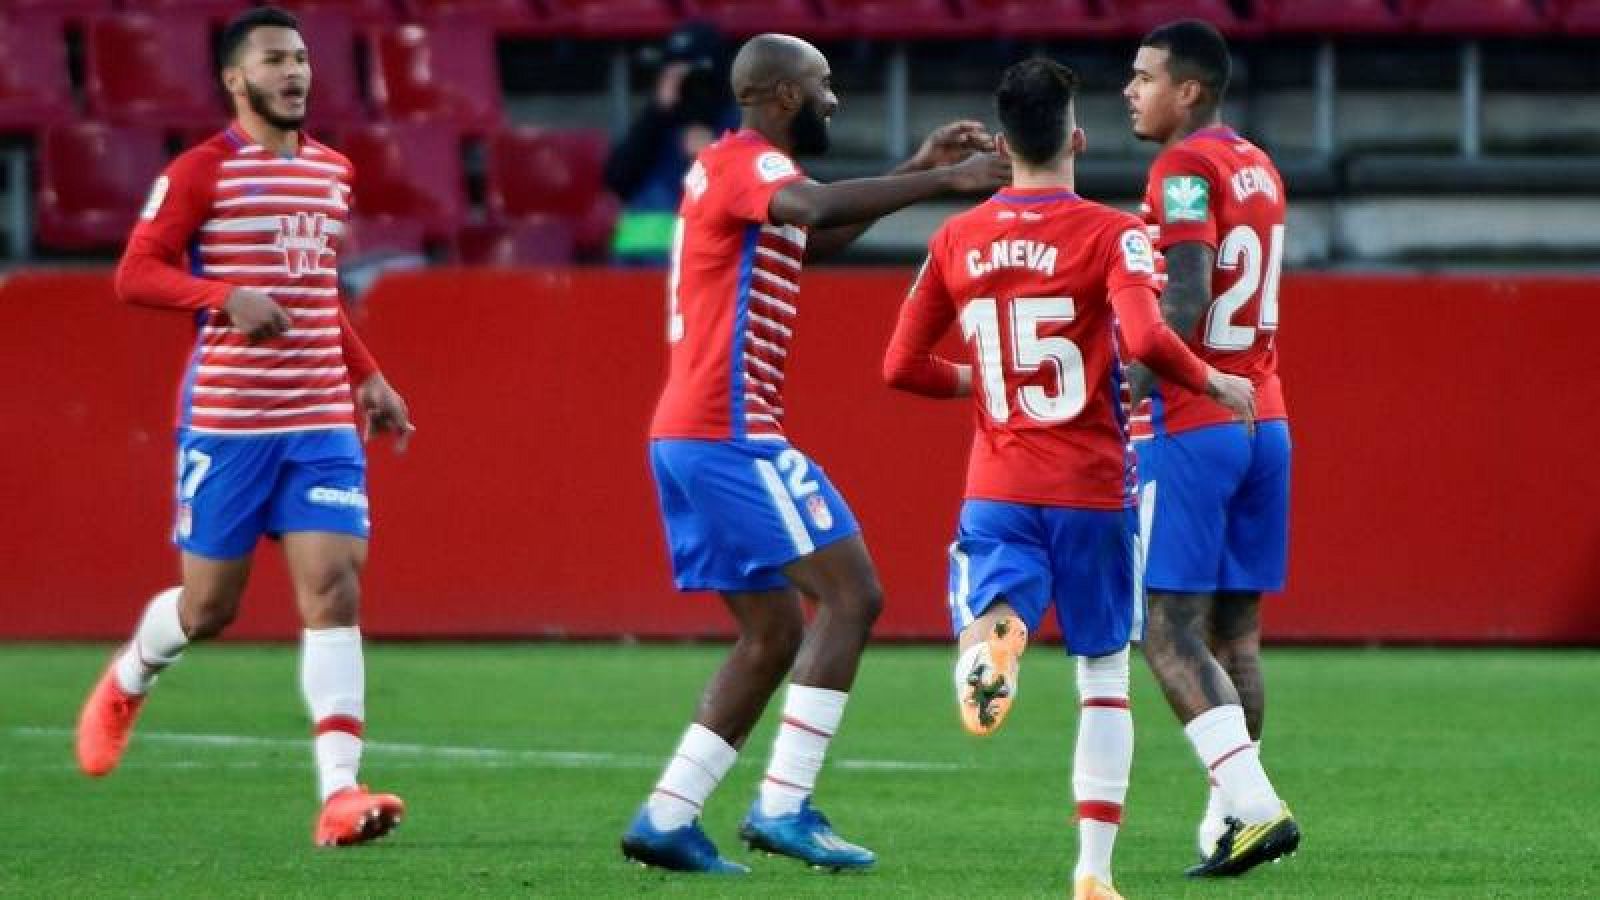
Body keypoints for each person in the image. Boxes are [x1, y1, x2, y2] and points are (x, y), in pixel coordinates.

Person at [620, 32, 1007, 874]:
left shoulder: (736, 174)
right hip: (729, 433)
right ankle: (783, 805)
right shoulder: (749, 164)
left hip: (690, 435)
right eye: (824, 84)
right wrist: (947, 181)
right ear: (786, 95)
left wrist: (914, 166)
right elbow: (815, 210)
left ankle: (668, 816)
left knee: (770, 635)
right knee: (853, 594)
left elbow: (810, 236)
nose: (835, 99)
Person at [883, 58, 1257, 900]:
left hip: (1000, 482)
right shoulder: (1113, 232)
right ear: (1077, 138)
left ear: (1002, 143)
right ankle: (1093, 872)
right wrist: (1213, 379)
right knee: (1104, 677)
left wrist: (982, 381)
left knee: (996, 604)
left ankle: (994, 640)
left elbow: (900, 365)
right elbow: (1148, 339)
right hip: (1092, 485)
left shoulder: (957, 238)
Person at [74, 6, 415, 848]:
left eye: (300, 58)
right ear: (236, 79)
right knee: (209, 607)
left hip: (319, 419)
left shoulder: (333, 170)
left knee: (334, 586)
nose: (293, 72)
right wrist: (222, 296)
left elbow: (315, 292)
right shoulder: (201, 171)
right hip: (229, 422)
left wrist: (367, 374)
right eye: (273, 60)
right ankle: (130, 676)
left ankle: (340, 795)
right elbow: (135, 274)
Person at [1124, 19, 1301, 876]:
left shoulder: (1183, 168)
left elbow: (1187, 292)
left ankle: (1257, 809)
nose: (1131, 91)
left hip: (1195, 421)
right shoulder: (1259, 164)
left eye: (1145, 77)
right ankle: (1230, 818)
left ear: (1188, 90)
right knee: (1238, 637)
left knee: (1165, 630)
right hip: (1266, 419)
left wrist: (1127, 387)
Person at [603, 21, 738, 263]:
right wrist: (657, 113)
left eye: (690, 72)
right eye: (672, 71)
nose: (684, 83)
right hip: (639, 264)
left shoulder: (738, 125)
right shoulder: (656, 121)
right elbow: (616, 179)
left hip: (709, 268)